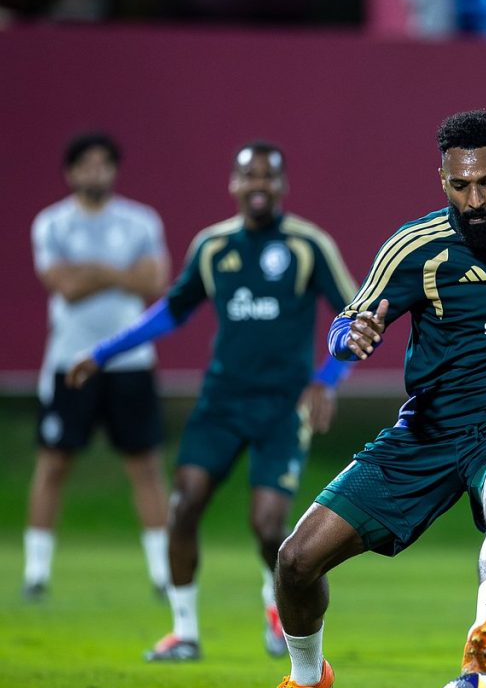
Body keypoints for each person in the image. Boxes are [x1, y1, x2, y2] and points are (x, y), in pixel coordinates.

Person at [250, 110, 486, 688]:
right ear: (442, 179)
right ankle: (307, 678)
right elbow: (347, 321)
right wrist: (351, 337)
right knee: (295, 561)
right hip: (429, 428)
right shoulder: (415, 246)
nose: (474, 200)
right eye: (459, 185)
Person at [68, 141, 357, 661]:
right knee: (184, 505)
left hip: (282, 407)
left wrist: (326, 380)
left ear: (283, 185)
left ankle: (276, 601)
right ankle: (183, 632)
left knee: (268, 526)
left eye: (268, 176)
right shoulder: (212, 246)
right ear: (233, 184)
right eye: (250, 176)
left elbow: (355, 316)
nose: (259, 185)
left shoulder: (307, 245)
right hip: (221, 401)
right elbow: (171, 312)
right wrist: (103, 353)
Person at [25, 131, 171, 601]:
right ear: (71, 172)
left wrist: (91, 270)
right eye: (86, 164)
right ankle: (36, 573)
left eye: (104, 163)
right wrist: (121, 274)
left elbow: (154, 281)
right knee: (53, 463)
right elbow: (64, 286)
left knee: (145, 465)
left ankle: (164, 574)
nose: (96, 172)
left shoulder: (140, 221)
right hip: (70, 360)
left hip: (130, 360)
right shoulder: (52, 223)